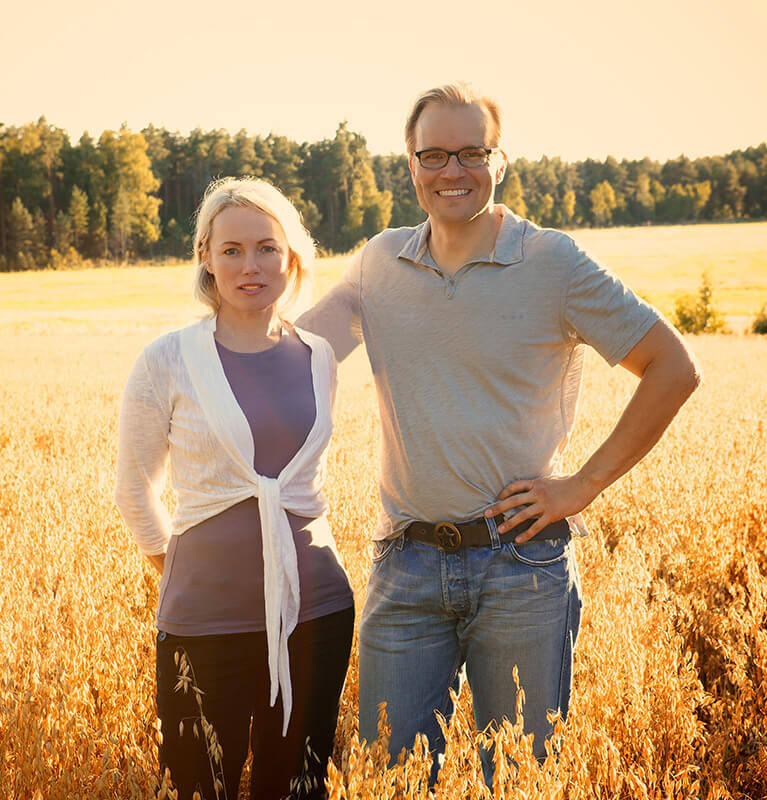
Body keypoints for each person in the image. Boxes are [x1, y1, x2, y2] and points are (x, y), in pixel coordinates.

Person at [298, 82, 701, 784]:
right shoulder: (377, 264)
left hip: (523, 569)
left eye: (470, 152)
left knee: (519, 779)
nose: (452, 170)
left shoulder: (552, 262)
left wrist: (582, 485)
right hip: (406, 564)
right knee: (388, 778)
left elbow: (673, 366)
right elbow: (294, 353)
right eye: (434, 154)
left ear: (500, 161)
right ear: (411, 163)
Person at [115, 177, 354, 800]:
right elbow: (135, 489)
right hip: (202, 617)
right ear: (206, 258)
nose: (251, 266)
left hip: (316, 612)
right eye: (232, 250)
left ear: (293, 256)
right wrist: (180, 566)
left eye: (267, 248)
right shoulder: (166, 359)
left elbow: (307, 483)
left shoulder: (320, 355)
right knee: (199, 785)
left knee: (297, 789)